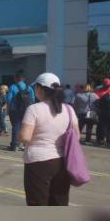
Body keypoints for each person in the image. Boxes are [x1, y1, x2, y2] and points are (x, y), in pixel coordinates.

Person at [19, 72, 77, 206]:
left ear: (39, 88)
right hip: (62, 161)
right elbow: (77, 136)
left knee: (38, 202)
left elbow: (25, 137)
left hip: (38, 161)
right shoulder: (69, 109)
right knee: (59, 201)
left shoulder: (34, 109)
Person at [6, 70, 35, 151]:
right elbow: (32, 100)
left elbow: (8, 99)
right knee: (25, 127)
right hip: (26, 110)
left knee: (16, 127)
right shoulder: (29, 87)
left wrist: (8, 110)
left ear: (15, 78)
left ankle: (15, 145)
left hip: (15, 110)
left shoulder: (13, 87)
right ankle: (25, 145)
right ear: (24, 79)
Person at [95, 78, 110, 145]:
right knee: (101, 127)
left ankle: (104, 140)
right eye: (106, 85)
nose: (107, 86)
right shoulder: (99, 91)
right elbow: (96, 102)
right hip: (102, 113)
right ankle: (101, 139)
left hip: (103, 112)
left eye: (108, 85)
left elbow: (97, 103)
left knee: (102, 127)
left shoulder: (100, 93)